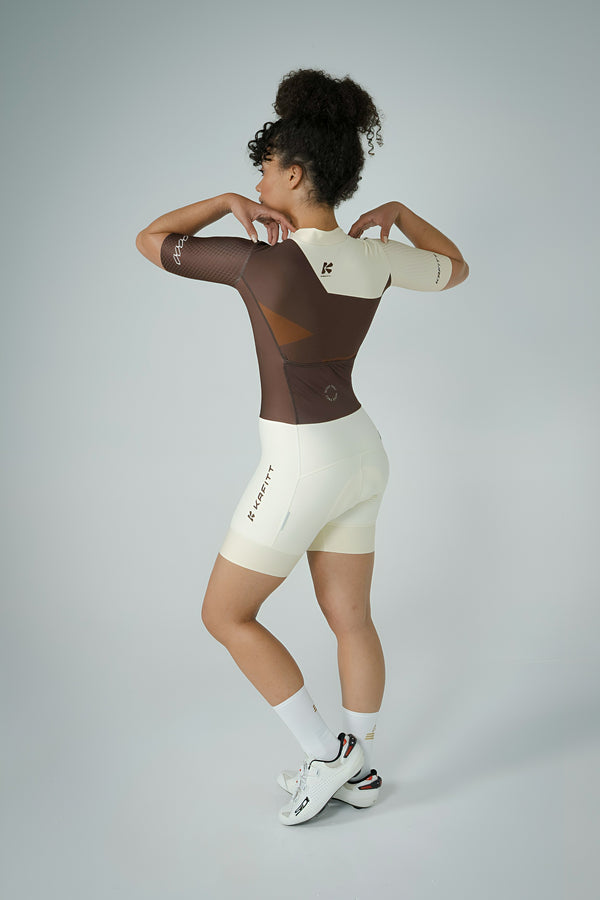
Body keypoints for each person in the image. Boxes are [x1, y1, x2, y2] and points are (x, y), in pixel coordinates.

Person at [135, 68, 469, 825]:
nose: (257, 183)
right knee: (351, 618)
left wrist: (224, 204)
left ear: (293, 173)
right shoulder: (376, 257)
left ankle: (328, 755)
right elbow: (456, 268)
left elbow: (152, 239)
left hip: (303, 459)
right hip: (363, 453)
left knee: (225, 615)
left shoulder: (261, 262)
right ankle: (364, 769)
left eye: (262, 170)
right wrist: (402, 215)